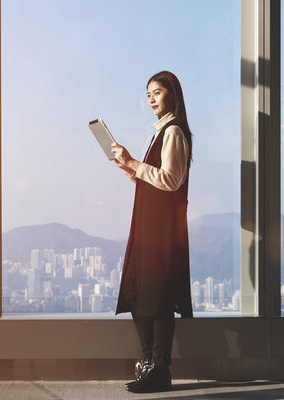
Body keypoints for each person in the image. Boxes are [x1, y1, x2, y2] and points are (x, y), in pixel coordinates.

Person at [110, 70, 194, 393]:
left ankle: (159, 368)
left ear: (172, 94)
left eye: (157, 93)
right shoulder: (159, 132)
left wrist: (134, 162)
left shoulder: (174, 132)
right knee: (140, 293)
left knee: (157, 298)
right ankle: (149, 364)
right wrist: (128, 166)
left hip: (161, 230)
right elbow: (152, 179)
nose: (152, 100)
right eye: (148, 95)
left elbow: (170, 180)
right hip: (149, 226)